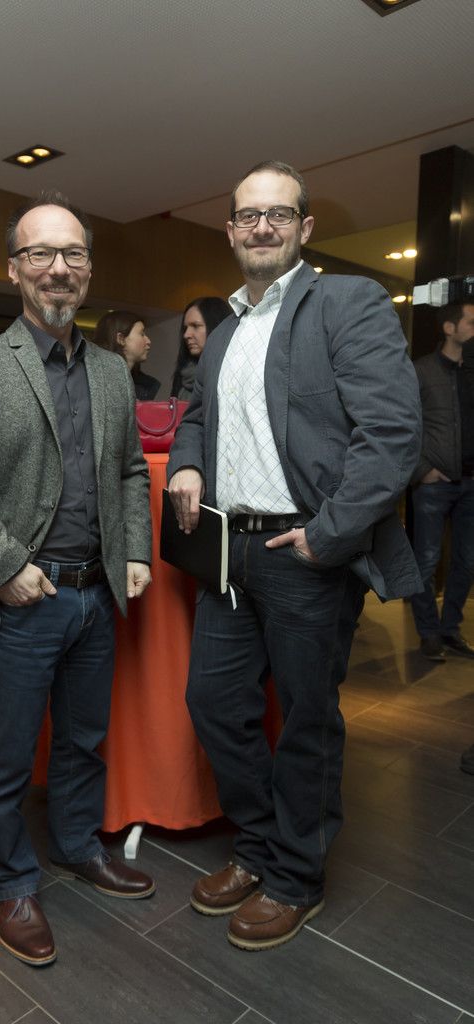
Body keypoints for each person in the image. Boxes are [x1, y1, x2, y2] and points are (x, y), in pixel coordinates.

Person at [168, 161, 421, 951]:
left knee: (306, 721)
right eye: (248, 215)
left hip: (304, 552)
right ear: (230, 231)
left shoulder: (346, 303)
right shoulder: (224, 331)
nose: (262, 227)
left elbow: (392, 435)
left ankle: (295, 877)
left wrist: (328, 533)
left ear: (304, 228)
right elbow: (196, 416)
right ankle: (256, 846)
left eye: (278, 214)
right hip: (227, 555)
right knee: (213, 703)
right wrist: (185, 463)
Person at [0, 190, 154, 967]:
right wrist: (8, 569)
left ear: (88, 269)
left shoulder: (112, 372)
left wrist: (134, 550)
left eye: (73, 254)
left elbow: (129, 471)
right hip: (26, 598)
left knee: (83, 741)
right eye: (40, 254)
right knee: (7, 754)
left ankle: (76, 845)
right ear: (13, 270)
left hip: (97, 593)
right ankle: (9, 882)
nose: (58, 268)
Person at [409, 303, 474, 661]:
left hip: (471, 483)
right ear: (450, 328)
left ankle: (450, 629)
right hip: (434, 483)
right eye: (471, 323)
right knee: (426, 561)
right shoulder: (421, 370)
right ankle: (429, 633)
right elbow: (405, 426)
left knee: (467, 561)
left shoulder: (471, 372)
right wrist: (422, 470)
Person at [170, 296, 231, 400]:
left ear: (216, 327)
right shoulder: (183, 375)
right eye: (185, 328)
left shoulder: (231, 375)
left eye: (195, 326)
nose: (186, 334)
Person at [92, 310, 160, 399]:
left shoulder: (144, 387)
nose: (148, 341)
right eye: (142, 334)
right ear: (121, 339)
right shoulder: (94, 381)